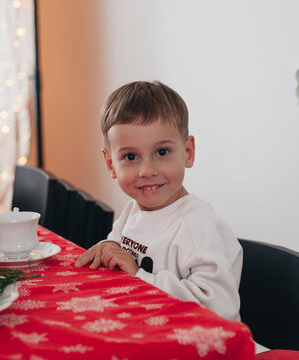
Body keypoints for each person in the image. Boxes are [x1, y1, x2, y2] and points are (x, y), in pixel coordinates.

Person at [74, 80, 242, 321]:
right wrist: (107, 248)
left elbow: (219, 306)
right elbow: (118, 251)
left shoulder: (197, 224)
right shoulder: (133, 209)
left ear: (188, 152)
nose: (147, 170)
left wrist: (139, 276)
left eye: (162, 152)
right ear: (111, 164)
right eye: (130, 156)